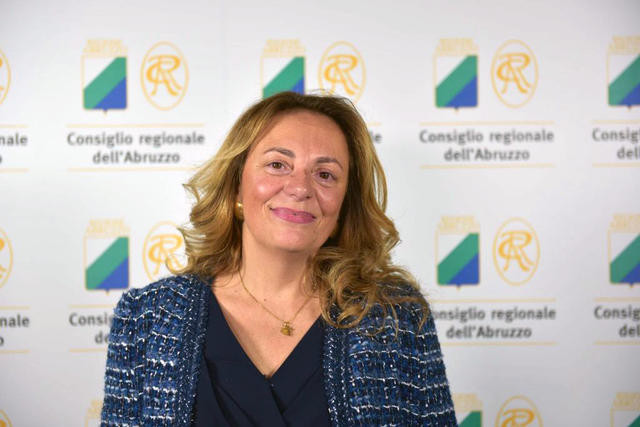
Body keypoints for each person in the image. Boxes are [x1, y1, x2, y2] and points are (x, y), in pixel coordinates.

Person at [100, 92, 457, 426]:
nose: (300, 188)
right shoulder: (147, 317)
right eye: (277, 165)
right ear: (236, 185)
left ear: (344, 204)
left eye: (325, 174)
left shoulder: (396, 318)